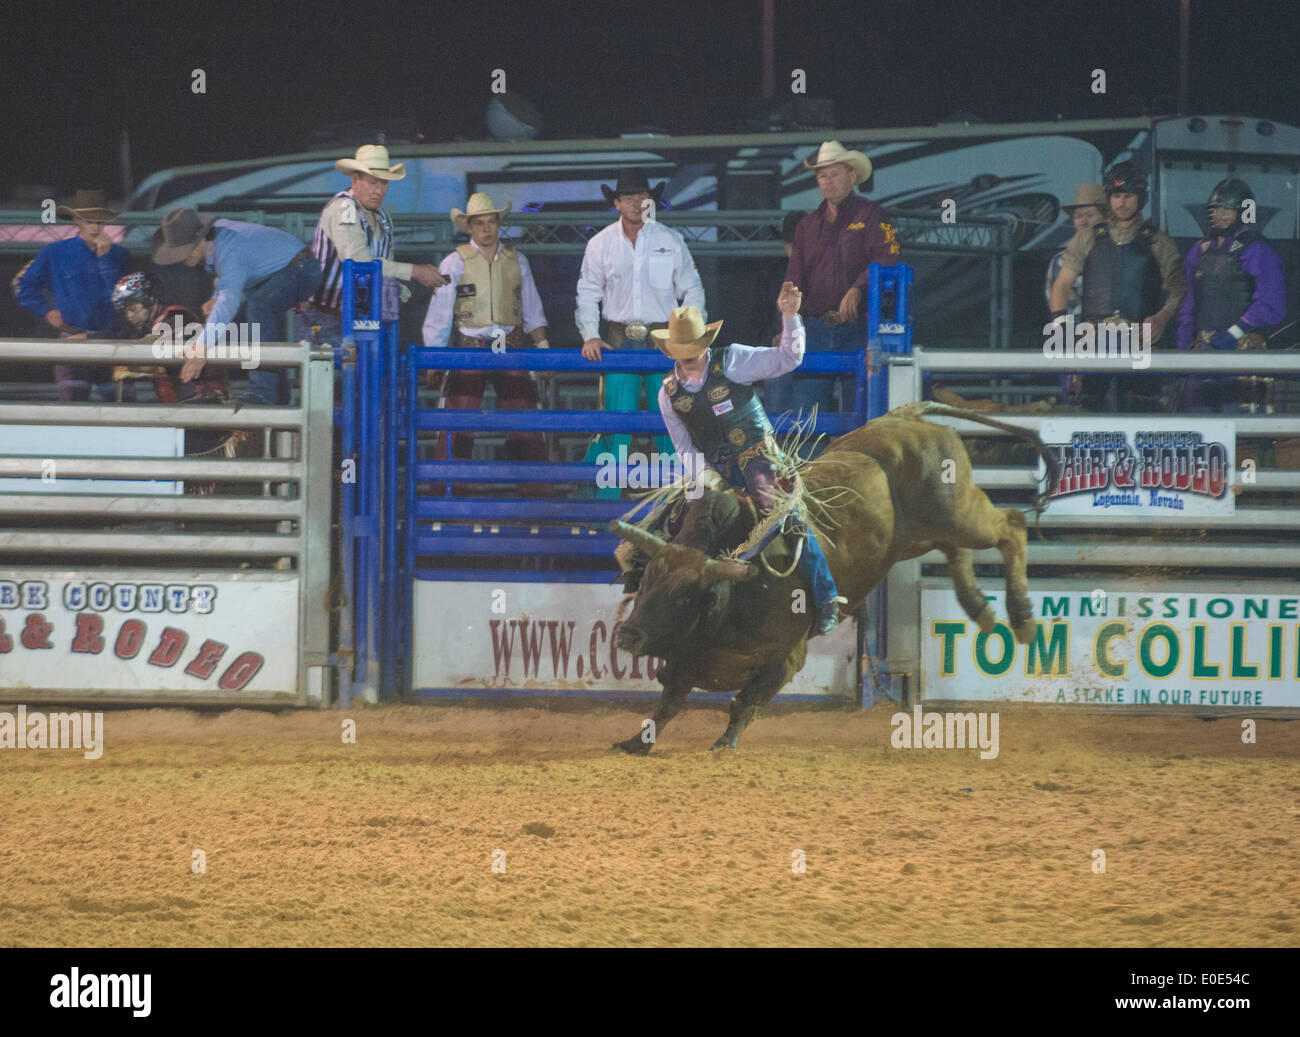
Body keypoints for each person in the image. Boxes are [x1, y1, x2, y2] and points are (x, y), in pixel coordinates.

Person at [634, 283, 847, 637]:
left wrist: (790, 318)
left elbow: (787, 358)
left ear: (703, 343)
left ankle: (825, 596)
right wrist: (710, 479)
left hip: (757, 456)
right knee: (670, 525)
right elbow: (684, 448)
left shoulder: (731, 360)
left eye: (692, 347)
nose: (688, 355)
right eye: (681, 348)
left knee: (785, 515)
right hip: (712, 470)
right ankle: (660, 605)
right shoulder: (667, 393)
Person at [577, 168, 706, 497]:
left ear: (652, 201)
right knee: (616, 425)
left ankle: (674, 504)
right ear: (617, 203)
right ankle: (607, 509)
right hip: (618, 343)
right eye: (630, 198)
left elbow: (692, 289)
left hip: (663, 342)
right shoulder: (600, 244)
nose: (637, 204)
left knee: (670, 424)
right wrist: (590, 334)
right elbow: (588, 292)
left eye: (643, 197)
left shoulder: (669, 240)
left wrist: (690, 336)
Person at [773, 141, 902, 418]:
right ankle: (810, 463)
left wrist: (858, 287)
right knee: (807, 415)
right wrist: (785, 317)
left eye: (835, 174)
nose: (827, 182)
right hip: (816, 329)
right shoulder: (807, 226)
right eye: (822, 176)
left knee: (860, 413)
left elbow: (888, 257)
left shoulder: (871, 215)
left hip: (860, 328)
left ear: (851, 177)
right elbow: (794, 277)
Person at [421, 192, 550, 471]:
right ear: (469, 227)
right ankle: (449, 498)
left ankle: (538, 497)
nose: (487, 229)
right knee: (456, 423)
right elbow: (439, 314)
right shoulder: (454, 262)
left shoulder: (517, 260)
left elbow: (531, 308)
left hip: (510, 345)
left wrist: (542, 347)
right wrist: (434, 359)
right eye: (480, 224)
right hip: (470, 347)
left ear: (498, 224)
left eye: (491, 222)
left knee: (525, 422)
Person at [1049, 160, 1184, 412]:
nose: (1122, 202)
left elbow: (1178, 289)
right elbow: (1061, 284)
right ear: (1109, 198)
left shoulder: (1159, 242)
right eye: (1117, 195)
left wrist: (1163, 317)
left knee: (1139, 409)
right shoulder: (1088, 237)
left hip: (1140, 340)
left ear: (1141, 197)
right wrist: (1062, 328)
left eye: (1129, 195)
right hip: (1092, 338)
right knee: (1087, 409)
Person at [151, 207, 322, 405]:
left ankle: (262, 393)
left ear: (199, 241)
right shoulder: (218, 243)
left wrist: (202, 346)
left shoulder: (228, 251)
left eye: (184, 251)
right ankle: (273, 393)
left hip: (300, 269)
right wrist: (217, 298)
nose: (182, 258)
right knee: (241, 325)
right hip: (291, 269)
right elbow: (230, 283)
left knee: (257, 307)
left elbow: (229, 297)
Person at [297, 144, 446, 343]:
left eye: (384, 183)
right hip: (325, 316)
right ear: (355, 179)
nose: (379, 190)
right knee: (341, 371)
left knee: (363, 370)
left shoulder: (383, 217)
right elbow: (358, 261)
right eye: (372, 182)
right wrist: (415, 272)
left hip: (363, 317)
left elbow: (382, 264)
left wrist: (397, 287)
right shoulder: (344, 208)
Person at [109, 272, 232, 491]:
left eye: (134, 308)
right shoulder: (164, 322)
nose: (130, 316)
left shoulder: (177, 317)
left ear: (151, 300)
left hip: (202, 405)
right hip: (187, 409)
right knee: (190, 475)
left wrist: (130, 365)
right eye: (127, 311)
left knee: (201, 475)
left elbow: (160, 352)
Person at [1176, 178, 1286, 413]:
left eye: (1226, 208)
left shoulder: (1258, 250)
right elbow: (1189, 305)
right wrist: (1182, 349)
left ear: (1243, 212)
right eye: (1215, 208)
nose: (1219, 214)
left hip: (1242, 349)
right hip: (1204, 348)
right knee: (1198, 426)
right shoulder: (1199, 251)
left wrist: (1234, 332)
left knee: (1241, 427)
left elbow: (1271, 303)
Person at [11, 188, 130, 400]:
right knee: (73, 408)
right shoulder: (56, 252)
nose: (95, 226)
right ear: (77, 220)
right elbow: (23, 284)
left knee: (123, 406)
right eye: (89, 220)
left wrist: (105, 260)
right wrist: (46, 312)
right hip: (73, 338)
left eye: (99, 221)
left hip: (111, 340)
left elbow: (123, 297)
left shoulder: (119, 255)